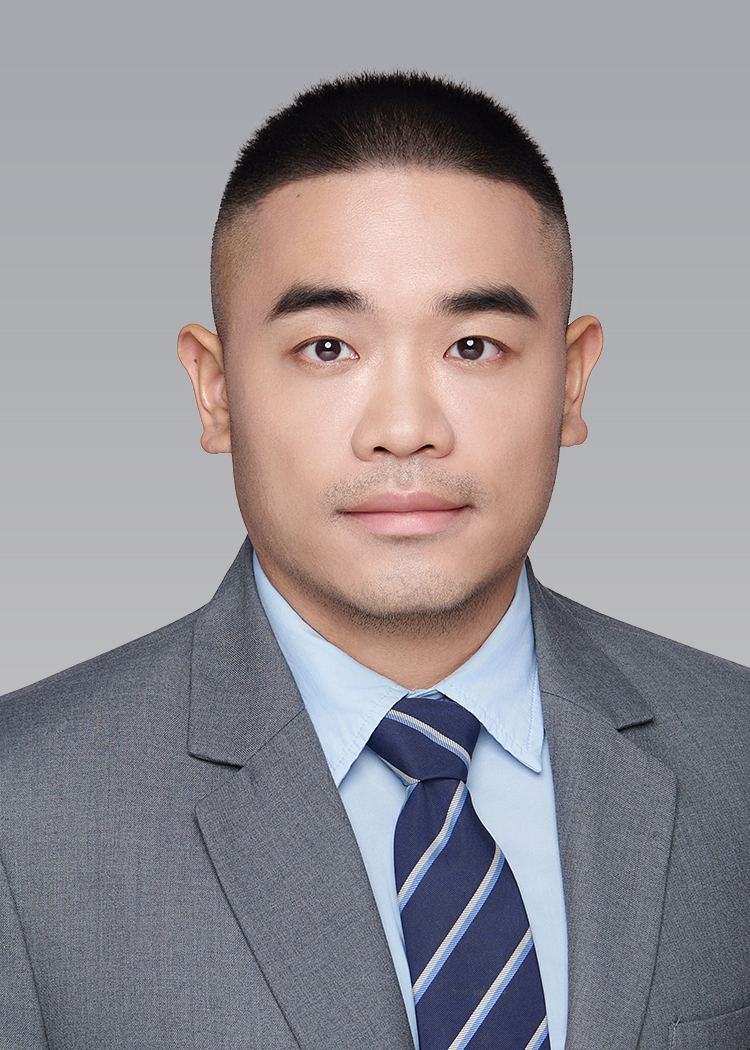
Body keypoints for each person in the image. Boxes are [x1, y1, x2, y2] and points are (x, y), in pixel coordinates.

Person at [0, 72, 748, 1050]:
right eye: (327, 348)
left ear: (570, 383)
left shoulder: (734, 751)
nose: (404, 428)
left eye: (473, 346)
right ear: (216, 391)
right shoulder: (24, 809)